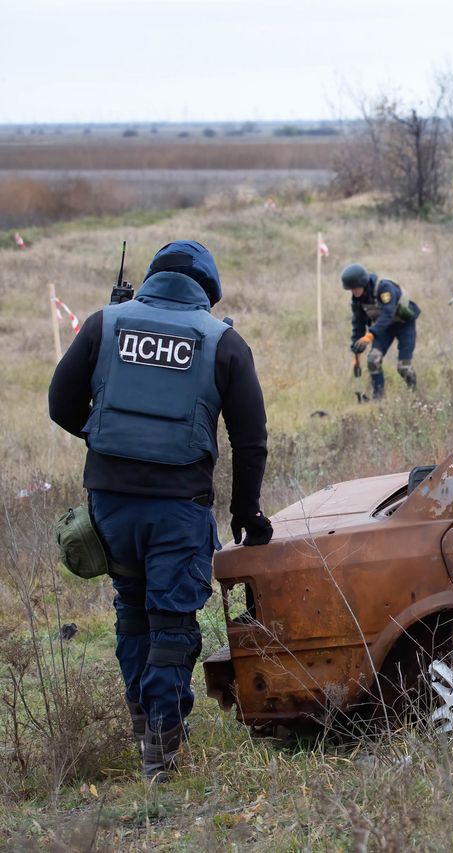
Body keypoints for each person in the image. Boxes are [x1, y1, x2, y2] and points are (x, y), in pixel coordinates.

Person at [48, 240, 271, 782]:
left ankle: (145, 723)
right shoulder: (223, 341)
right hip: (177, 510)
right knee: (171, 625)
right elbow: (251, 440)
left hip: (111, 508)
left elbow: (61, 404)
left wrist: (110, 437)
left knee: (131, 612)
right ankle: (162, 752)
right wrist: (246, 512)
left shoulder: (105, 323)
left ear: (151, 279)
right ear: (208, 291)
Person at [342, 263, 420, 400]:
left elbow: (388, 314)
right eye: (351, 289)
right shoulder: (357, 300)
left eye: (355, 288)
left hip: (404, 325)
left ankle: (414, 395)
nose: (353, 292)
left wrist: (370, 335)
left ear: (363, 283)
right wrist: (356, 349)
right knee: (373, 360)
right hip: (384, 329)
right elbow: (358, 324)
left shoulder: (384, 288)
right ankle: (378, 399)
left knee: (403, 367)